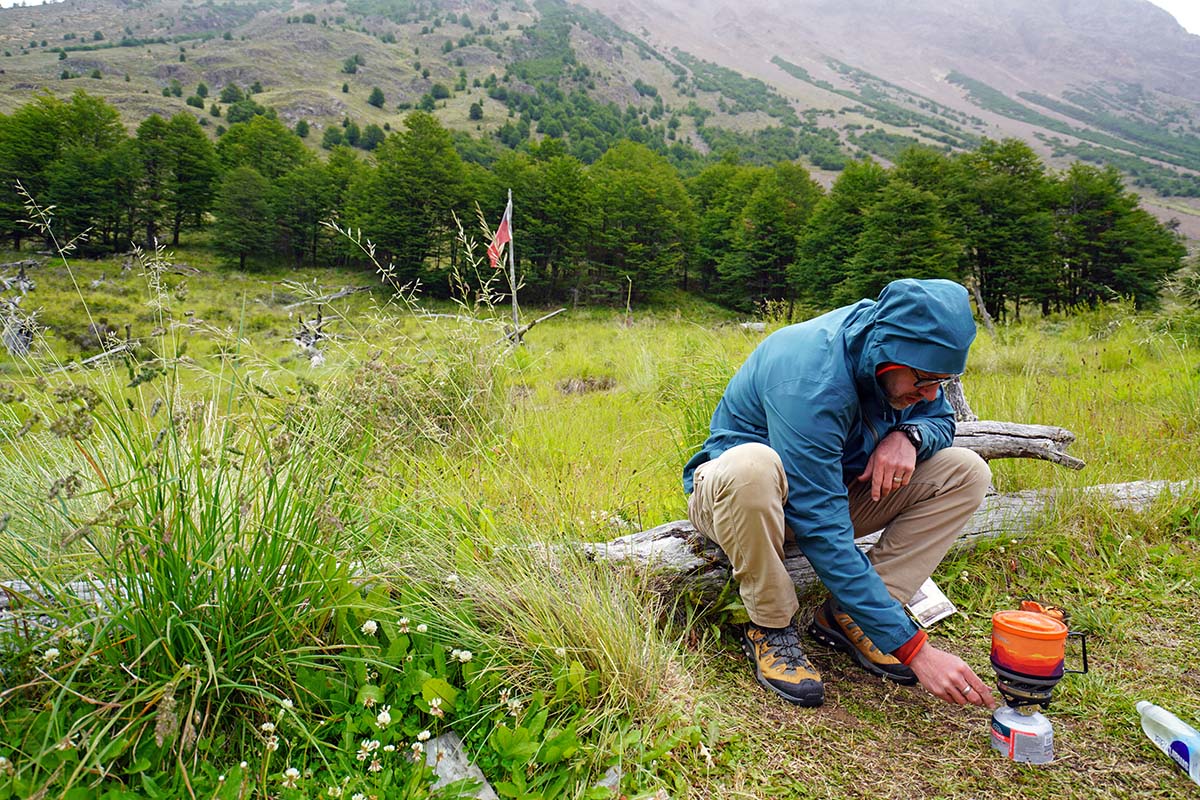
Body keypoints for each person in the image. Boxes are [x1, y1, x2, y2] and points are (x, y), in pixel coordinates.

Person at [683, 278, 997, 710]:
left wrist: (909, 434)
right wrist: (915, 650)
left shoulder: (906, 360)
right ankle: (770, 624)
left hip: (827, 490)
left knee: (966, 472)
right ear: (887, 356)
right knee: (751, 465)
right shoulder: (810, 375)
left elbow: (941, 419)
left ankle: (850, 616)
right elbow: (821, 524)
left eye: (942, 382)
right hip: (738, 501)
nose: (930, 394)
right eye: (923, 382)